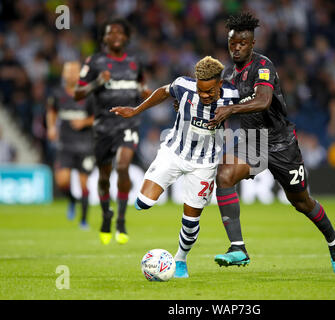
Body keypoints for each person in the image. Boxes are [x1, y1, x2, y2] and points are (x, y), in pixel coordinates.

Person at [208, 13, 335, 275]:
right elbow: (219, 103)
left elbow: (263, 100)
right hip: (252, 141)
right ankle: (238, 248)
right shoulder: (227, 73)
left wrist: (230, 111)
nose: (236, 48)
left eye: (242, 43)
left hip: (281, 143)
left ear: (252, 43)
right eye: (232, 43)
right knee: (225, 175)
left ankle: (333, 239)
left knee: (301, 202)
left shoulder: (263, 66)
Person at [110, 56, 240, 278]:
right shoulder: (183, 86)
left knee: (191, 220)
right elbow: (162, 91)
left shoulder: (233, 96)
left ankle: (180, 259)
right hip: (173, 152)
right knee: (144, 203)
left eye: (210, 91)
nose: (205, 95)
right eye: (201, 90)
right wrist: (135, 110)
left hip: (205, 163)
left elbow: (255, 106)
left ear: (220, 83)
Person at [74, 18, 151, 245]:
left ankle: (121, 220)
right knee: (104, 177)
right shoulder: (94, 62)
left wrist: (148, 94)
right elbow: (78, 94)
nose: (116, 36)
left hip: (128, 124)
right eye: (111, 33)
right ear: (104, 38)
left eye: (120, 33)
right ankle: (106, 214)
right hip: (103, 127)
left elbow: (144, 88)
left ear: (126, 37)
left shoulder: (135, 62)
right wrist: (97, 82)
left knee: (123, 166)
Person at [46, 61, 94, 229]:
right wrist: (51, 127)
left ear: (79, 74)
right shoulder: (58, 94)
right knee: (61, 181)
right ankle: (72, 200)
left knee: (83, 184)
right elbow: (51, 111)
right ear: (63, 74)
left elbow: (99, 117)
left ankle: (84, 220)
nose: (71, 74)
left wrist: (85, 121)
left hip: (85, 145)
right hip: (65, 145)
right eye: (68, 71)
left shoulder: (88, 94)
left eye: (74, 71)